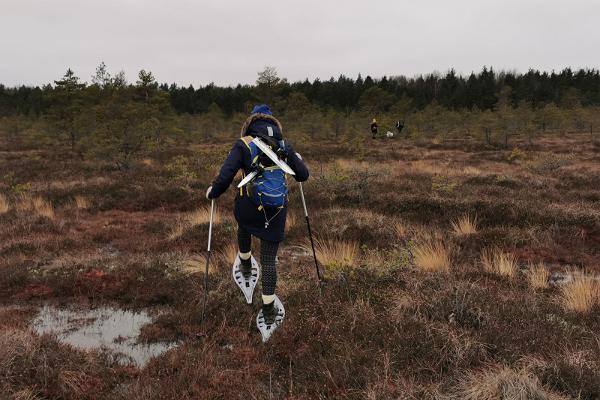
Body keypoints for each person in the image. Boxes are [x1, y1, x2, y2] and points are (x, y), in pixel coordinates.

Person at [206, 104, 309, 328]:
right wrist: (296, 159)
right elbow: (303, 175)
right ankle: (269, 308)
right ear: (273, 124)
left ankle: (244, 262)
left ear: (252, 122)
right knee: (269, 259)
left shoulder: (243, 144)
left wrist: (213, 192)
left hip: (249, 207)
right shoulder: (284, 145)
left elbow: (225, 176)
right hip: (276, 211)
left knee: (244, 225)